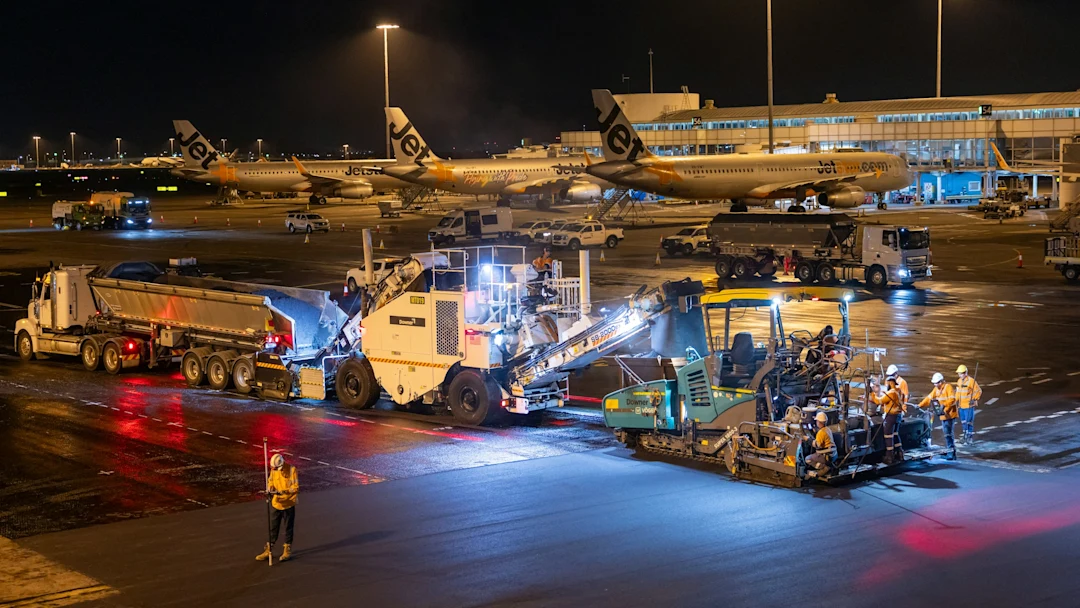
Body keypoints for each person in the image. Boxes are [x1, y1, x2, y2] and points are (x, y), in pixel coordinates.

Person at [256, 453, 299, 562]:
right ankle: (269, 549)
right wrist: (270, 489)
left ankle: (287, 549)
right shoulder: (274, 469)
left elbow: (295, 488)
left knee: (288, 527)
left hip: (288, 503)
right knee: (273, 527)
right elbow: (271, 481)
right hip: (276, 503)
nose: (274, 470)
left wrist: (284, 492)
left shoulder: (292, 470)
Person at [918, 372, 958, 460]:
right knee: (946, 433)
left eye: (936, 383)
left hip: (950, 415)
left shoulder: (948, 387)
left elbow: (952, 400)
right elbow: (929, 398)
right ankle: (950, 451)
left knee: (948, 434)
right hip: (943, 414)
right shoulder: (936, 389)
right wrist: (920, 405)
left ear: (941, 382)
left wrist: (944, 407)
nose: (935, 385)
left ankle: (952, 453)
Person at [868, 376, 906, 465]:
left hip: (891, 416)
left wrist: (872, 393)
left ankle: (889, 456)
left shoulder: (891, 393)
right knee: (895, 434)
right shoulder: (899, 391)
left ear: (890, 383)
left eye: (887, 383)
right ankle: (899, 453)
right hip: (898, 415)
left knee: (888, 435)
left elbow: (878, 401)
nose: (886, 385)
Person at [955, 364, 982, 444]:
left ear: (965, 373)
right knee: (963, 422)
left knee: (969, 422)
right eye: (959, 373)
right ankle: (965, 436)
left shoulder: (971, 381)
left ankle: (969, 438)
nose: (959, 375)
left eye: (961, 373)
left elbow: (978, 391)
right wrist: (955, 400)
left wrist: (974, 399)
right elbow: (958, 392)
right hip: (961, 406)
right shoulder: (959, 381)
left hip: (968, 406)